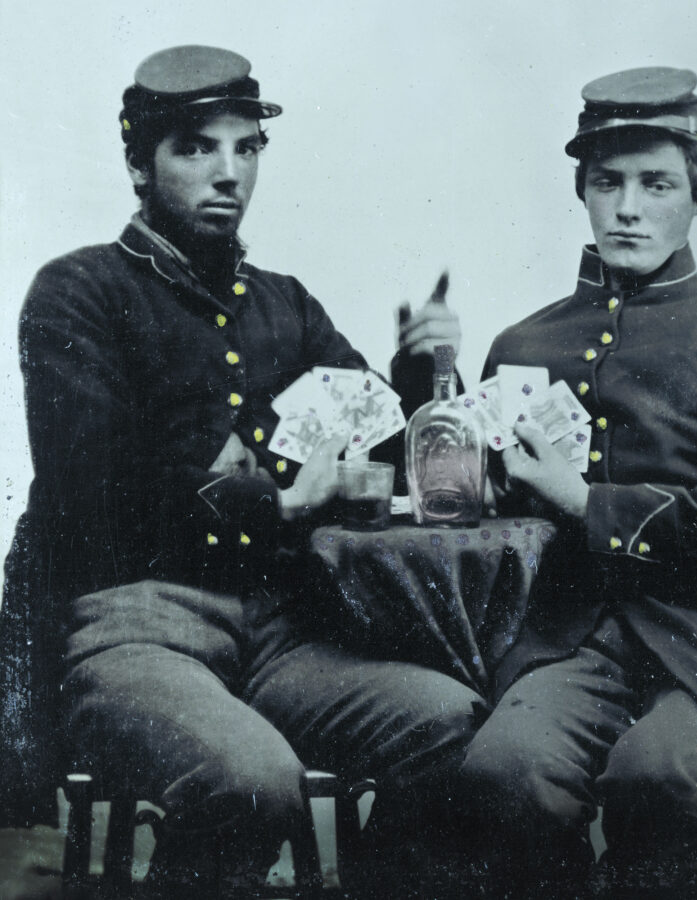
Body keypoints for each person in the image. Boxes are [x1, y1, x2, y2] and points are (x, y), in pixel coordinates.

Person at [0, 45, 484, 897]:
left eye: (245, 147)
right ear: (137, 163)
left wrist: (418, 374)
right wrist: (288, 499)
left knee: (451, 725)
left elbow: (372, 437)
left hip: (281, 634)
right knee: (251, 783)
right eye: (195, 147)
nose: (228, 173)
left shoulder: (284, 303)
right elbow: (94, 497)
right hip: (133, 628)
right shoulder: (77, 291)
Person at [457, 67, 697, 899]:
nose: (627, 207)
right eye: (607, 182)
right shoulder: (523, 343)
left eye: (655, 183)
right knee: (504, 771)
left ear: (694, 194)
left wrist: (582, 501)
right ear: (583, 192)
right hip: (574, 636)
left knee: (658, 776)